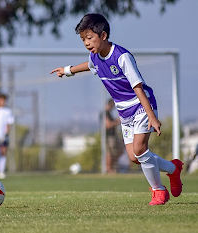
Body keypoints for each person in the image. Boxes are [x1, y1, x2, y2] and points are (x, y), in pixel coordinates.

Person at [50, 13, 183, 206]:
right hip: (124, 111)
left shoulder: (122, 57)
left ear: (103, 36)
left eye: (89, 38)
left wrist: (152, 117)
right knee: (134, 157)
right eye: (83, 40)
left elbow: (138, 87)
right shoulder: (95, 57)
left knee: (139, 149)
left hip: (141, 105)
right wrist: (68, 70)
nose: (86, 43)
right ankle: (173, 168)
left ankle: (159, 191)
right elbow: (90, 65)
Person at [105, 99, 122, 173]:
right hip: (109, 136)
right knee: (110, 152)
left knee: (119, 151)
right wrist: (117, 121)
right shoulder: (105, 113)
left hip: (113, 136)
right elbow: (108, 125)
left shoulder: (109, 113)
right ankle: (109, 169)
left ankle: (113, 166)